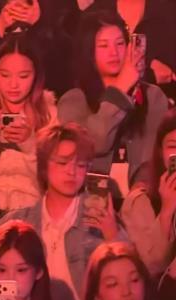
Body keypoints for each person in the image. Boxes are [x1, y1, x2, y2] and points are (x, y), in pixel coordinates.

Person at [0, 122, 124, 300]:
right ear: (43, 167)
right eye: (62, 163)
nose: (71, 172)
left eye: (80, 165)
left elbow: (130, 278)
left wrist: (113, 236)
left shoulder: (101, 219)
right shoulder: (17, 222)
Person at [57, 11, 169, 196]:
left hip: (142, 197)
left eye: (120, 43)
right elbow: (95, 144)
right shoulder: (73, 100)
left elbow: (153, 158)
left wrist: (141, 190)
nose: (114, 53)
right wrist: (120, 90)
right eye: (103, 45)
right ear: (89, 52)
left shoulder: (153, 96)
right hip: (91, 198)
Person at [0, 34, 57, 212]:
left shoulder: (49, 115)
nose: (13, 84)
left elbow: (55, 180)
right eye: (5, 75)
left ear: (36, 76)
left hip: (31, 210)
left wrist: (29, 146)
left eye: (23, 76)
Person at [121, 109, 176, 276]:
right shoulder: (140, 202)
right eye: (173, 146)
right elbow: (150, 266)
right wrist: (167, 210)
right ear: (160, 151)